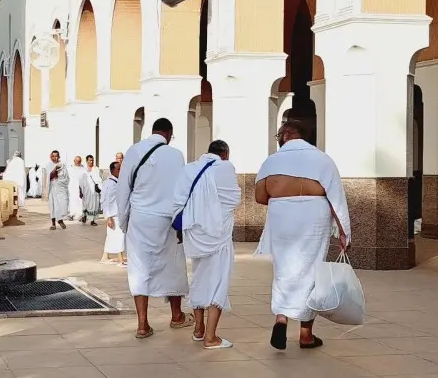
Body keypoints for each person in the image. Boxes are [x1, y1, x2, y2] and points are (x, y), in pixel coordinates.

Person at [256, 119, 351, 350]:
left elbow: (260, 197)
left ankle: (281, 319)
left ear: (285, 135)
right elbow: (336, 198)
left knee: (283, 270)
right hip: (314, 216)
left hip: (282, 217)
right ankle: (306, 335)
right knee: (311, 271)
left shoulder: (272, 161)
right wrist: (344, 232)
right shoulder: (322, 159)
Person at [116, 118, 190, 339]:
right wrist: (181, 222)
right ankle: (177, 316)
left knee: (139, 269)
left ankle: (142, 324)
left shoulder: (134, 150)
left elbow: (123, 189)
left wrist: (123, 221)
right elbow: (181, 190)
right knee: (174, 266)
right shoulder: (176, 155)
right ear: (169, 133)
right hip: (168, 218)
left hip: (141, 218)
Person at [172, 140, 241, 348]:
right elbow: (235, 198)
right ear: (225, 154)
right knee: (218, 281)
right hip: (218, 236)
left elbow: (178, 201)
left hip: (195, 234)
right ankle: (211, 337)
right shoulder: (226, 167)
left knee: (199, 278)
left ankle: (199, 329)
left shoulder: (188, 169)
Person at [100, 161, 126, 266]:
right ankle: (120, 259)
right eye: (118, 169)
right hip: (114, 214)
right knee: (119, 236)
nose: (121, 171)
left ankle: (105, 256)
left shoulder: (112, 182)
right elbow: (106, 201)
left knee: (111, 235)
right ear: (113, 170)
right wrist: (109, 217)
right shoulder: (111, 183)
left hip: (115, 213)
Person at [47, 151, 69, 230]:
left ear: (59, 157)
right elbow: (47, 177)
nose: (55, 158)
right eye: (53, 156)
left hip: (61, 188)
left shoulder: (62, 165)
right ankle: (53, 223)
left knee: (60, 205)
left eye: (56, 156)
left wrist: (61, 182)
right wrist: (55, 169)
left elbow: (67, 177)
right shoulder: (48, 165)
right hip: (52, 188)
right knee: (53, 206)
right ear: (51, 157)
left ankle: (60, 220)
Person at [81, 154, 102, 225]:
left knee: (94, 204)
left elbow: (99, 179)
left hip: (95, 189)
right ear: (87, 161)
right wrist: (80, 190)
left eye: (92, 160)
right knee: (86, 204)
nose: (91, 161)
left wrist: (100, 187)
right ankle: (84, 215)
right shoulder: (83, 169)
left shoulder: (96, 169)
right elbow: (81, 180)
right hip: (86, 189)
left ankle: (92, 220)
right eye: (90, 160)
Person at [68, 155, 87, 220]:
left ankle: (80, 216)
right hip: (72, 188)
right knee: (72, 201)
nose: (78, 162)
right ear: (74, 161)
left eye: (79, 161)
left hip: (81, 188)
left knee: (80, 201)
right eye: (77, 161)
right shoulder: (70, 169)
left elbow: (86, 178)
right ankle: (72, 214)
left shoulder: (83, 169)